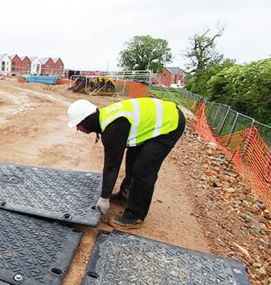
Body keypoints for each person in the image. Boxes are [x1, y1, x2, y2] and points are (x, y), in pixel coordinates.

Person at [67, 97, 185, 229]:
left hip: (169, 123)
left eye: (78, 124)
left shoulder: (112, 128)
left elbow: (112, 167)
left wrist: (104, 198)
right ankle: (126, 195)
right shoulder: (106, 119)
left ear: (87, 119)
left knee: (143, 170)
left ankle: (135, 216)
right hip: (155, 119)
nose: (78, 128)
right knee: (132, 159)